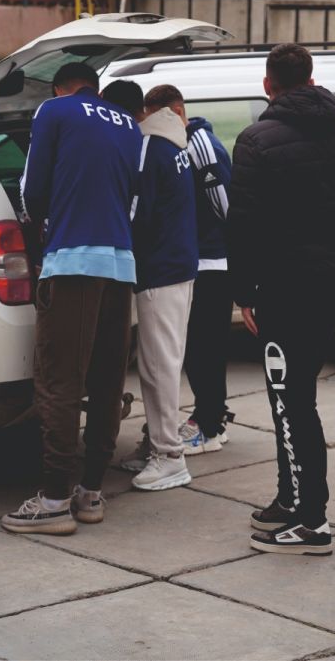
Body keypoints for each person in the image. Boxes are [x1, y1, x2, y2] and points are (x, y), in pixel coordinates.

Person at [228, 43, 335, 555]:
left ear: (268, 85)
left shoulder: (255, 140)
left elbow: (242, 224)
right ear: (311, 80)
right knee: (294, 398)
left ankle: (312, 520)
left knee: (291, 402)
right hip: (331, 288)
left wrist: (244, 293)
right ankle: (291, 497)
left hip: (284, 291)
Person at [2, 62, 142, 535]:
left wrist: (41, 228)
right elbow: (133, 197)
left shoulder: (55, 111)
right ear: (97, 90)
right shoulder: (128, 125)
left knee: (59, 383)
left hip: (72, 263)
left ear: (60, 88)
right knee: (106, 383)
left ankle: (54, 498)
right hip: (120, 267)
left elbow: (32, 189)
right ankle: (91, 491)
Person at [107, 81, 199, 492]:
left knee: (158, 366)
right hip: (179, 264)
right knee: (164, 362)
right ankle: (157, 446)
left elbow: (136, 214)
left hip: (159, 269)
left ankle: (169, 456)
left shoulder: (149, 146)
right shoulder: (175, 142)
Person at [141, 85, 239, 455]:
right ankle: (211, 416)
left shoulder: (198, 144)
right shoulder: (180, 143)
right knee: (199, 348)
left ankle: (210, 426)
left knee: (204, 349)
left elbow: (225, 203)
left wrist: (228, 249)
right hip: (199, 260)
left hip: (212, 262)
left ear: (177, 111)